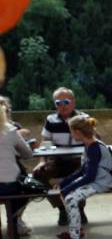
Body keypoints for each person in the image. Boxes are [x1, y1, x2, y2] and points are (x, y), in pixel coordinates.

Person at [53, 115, 112, 239]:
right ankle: (76, 230)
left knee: (70, 199)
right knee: (68, 195)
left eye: (71, 131)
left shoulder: (94, 147)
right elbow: (82, 170)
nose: (71, 134)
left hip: (101, 182)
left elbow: (90, 176)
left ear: (78, 132)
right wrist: (65, 183)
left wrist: (69, 188)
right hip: (96, 179)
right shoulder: (89, 145)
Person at [32, 87, 88, 226]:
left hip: (77, 158)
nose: (62, 106)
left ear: (73, 102)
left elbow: (94, 141)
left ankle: (79, 209)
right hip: (56, 159)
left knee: (82, 174)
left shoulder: (83, 117)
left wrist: (87, 128)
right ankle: (62, 208)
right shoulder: (51, 119)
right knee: (38, 175)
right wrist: (41, 161)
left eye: (66, 102)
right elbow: (44, 142)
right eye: (58, 103)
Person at [0, 95, 33, 235]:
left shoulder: (14, 127)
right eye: (5, 110)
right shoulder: (12, 130)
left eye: (9, 110)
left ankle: (16, 219)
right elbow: (27, 154)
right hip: (9, 176)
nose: (7, 113)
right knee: (29, 186)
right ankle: (14, 219)